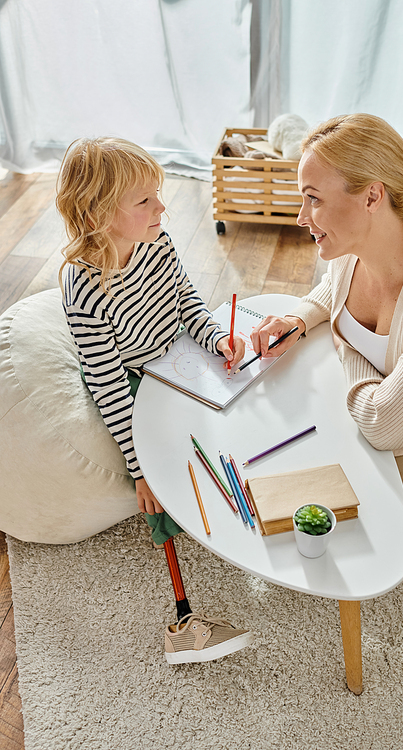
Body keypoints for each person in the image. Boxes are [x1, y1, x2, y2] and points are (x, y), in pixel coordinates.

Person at [56, 136, 253, 663]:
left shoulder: (158, 243)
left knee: (241, 409)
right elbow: (108, 390)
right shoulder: (83, 290)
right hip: (133, 376)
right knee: (165, 466)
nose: (162, 207)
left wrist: (216, 339)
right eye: (144, 201)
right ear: (98, 214)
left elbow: (188, 300)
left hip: (180, 353)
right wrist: (140, 470)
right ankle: (185, 618)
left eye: (157, 195)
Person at [251, 113, 403, 524]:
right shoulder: (351, 248)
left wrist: (344, 345)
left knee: (306, 491)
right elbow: (334, 291)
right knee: (278, 442)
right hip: (380, 398)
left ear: (372, 196)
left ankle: (398, 506)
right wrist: (299, 318)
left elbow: (387, 429)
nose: (301, 217)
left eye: (314, 198)